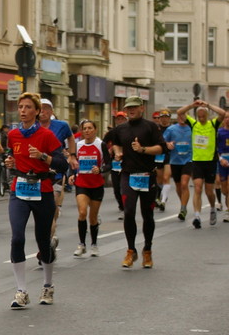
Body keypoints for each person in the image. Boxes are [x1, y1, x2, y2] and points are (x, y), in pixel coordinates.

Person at [4, 93, 68, 309]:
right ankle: (21, 290)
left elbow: (62, 164)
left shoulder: (47, 135)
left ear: (37, 111)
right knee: (17, 238)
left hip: (43, 190)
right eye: (20, 107)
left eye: (27, 107)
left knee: (43, 240)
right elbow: (12, 156)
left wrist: (43, 157)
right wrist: (9, 162)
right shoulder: (13, 134)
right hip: (19, 190)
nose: (22, 110)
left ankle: (47, 285)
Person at [110, 97, 164, 267]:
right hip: (128, 175)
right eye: (128, 108)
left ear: (141, 108)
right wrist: (118, 153)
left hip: (148, 175)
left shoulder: (150, 126)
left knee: (147, 215)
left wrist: (143, 150)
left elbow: (161, 148)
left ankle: (147, 250)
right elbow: (116, 145)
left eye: (134, 107)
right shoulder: (121, 128)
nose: (130, 110)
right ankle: (131, 250)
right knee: (129, 211)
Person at [177, 99, 226, 228]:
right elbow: (179, 112)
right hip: (197, 161)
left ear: (207, 115)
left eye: (204, 116)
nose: (202, 118)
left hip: (210, 161)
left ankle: (212, 208)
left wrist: (208, 105)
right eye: (199, 116)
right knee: (197, 188)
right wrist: (192, 105)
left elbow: (223, 113)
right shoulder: (194, 124)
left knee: (209, 191)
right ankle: (197, 216)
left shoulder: (213, 124)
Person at [38, 99, 76, 254]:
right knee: (41, 212)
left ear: (52, 111)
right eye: (40, 108)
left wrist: (72, 156)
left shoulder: (61, 126)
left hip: (56, 172)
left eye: (46, 108)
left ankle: (45, 246)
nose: (43, 111)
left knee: (51, 208)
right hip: (37, 173)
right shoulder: (30, 127)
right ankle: (48, 241)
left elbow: (71, 138)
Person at [72, 119, 109, 257]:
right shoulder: (78, 145)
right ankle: (82, 244)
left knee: (92, 218)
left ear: (95, 130)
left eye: (89, 128)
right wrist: (72, 175)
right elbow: (74, 163)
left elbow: (109, 164)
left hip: (96, 185)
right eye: (84, 128)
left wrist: (100, 169)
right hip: (82, 183)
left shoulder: (101, 145)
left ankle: (94, 244)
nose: (87, 131)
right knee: (82, 213)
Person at [162, 108, 194, 221]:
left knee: (185, 184)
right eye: (180, 116)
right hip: (175, 161)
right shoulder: (171, 129)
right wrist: (168, 144)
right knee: (179, 186)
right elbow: (162, 142)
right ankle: (183, 204)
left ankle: (183, 208)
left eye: (184, 116)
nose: (181, 118)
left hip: (188, 160)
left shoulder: (192, 128)